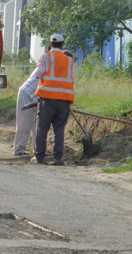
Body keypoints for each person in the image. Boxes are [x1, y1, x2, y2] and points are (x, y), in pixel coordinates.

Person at [32, 34, 75, 165]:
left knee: (42, 127)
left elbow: (38, 73)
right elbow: (72, 78)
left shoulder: (46, 56)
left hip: (47, 99)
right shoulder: (69, 60)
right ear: (62, 45)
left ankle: (39, 157)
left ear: (50, 44)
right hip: (64, 99)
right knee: (59, 129)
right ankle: (58, 158)